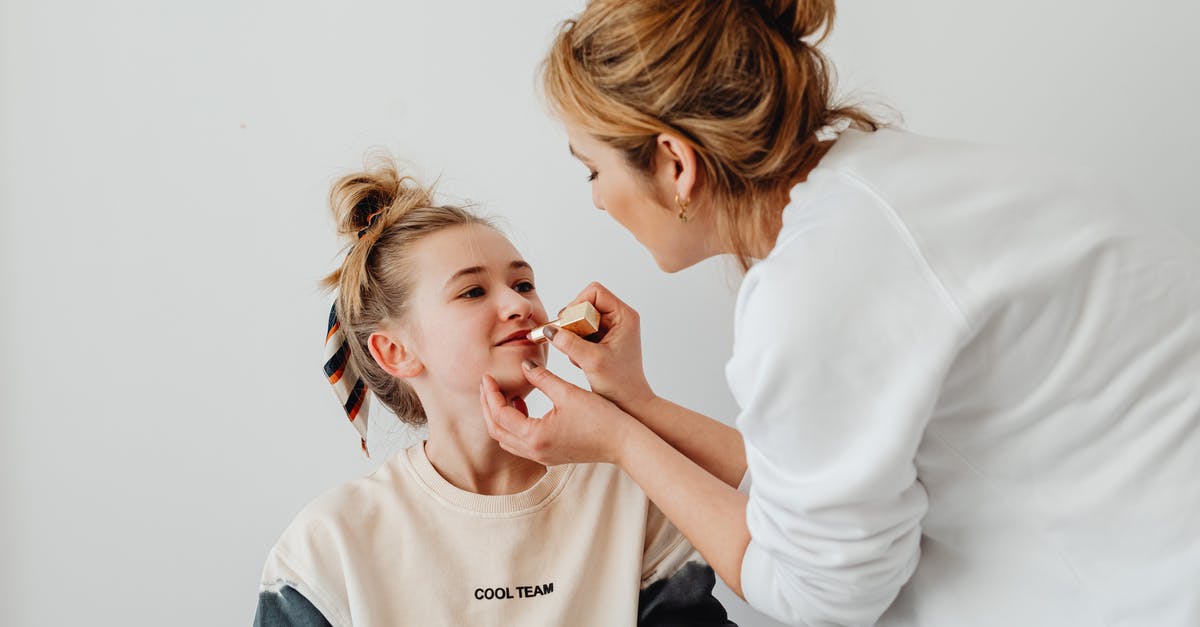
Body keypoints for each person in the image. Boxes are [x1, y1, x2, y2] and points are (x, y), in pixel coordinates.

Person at [478, 1, 1200, 625]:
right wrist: (637, 407)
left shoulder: (817, 285)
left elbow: (822, 592)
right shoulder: (886, 190)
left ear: (674, 163)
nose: (598, 200)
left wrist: (620, 442)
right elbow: (822, 504)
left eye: (593, 170)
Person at [253, 156, 737, 627]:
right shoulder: (327, 547)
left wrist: (635, 406)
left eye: (523, 283)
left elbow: (790, 515)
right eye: (472, 292)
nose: (519, 305)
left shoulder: (636, 497)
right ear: (395, 352)